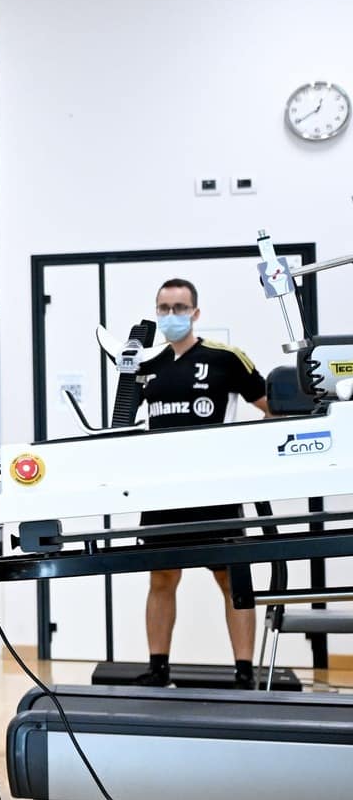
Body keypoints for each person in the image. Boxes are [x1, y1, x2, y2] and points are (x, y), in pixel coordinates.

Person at [132, 277, 270, 687]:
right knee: (161, 577)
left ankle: (244, 673)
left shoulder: (226, 358)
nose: (171, 315)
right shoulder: (147, 366)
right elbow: (126, 423)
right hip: (163, 493)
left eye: (179, 308)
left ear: (195, 313)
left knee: (230, 579)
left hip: (215, 491)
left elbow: (272, 407)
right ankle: (158, 669)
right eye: (164, 308)